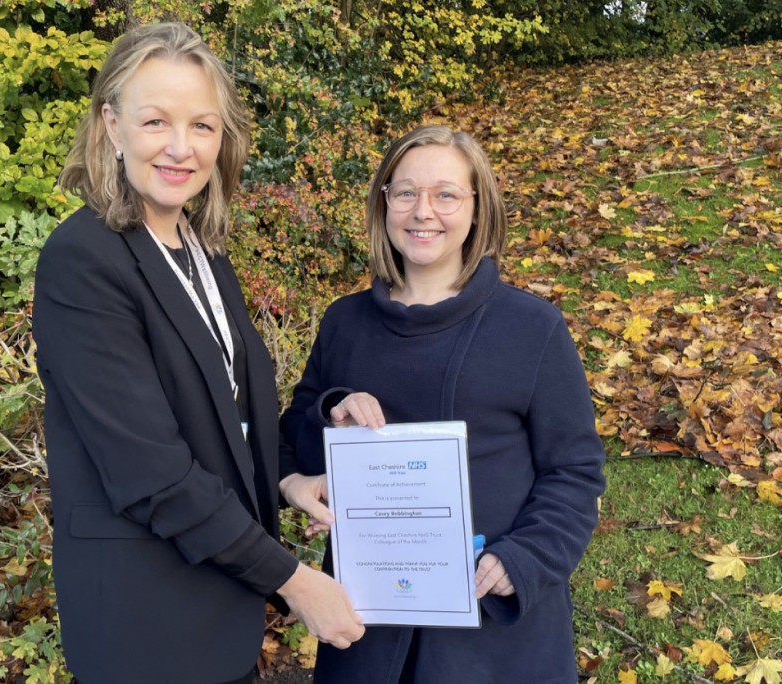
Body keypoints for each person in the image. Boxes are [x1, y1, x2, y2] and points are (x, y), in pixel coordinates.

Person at [33, 23, 363, 684]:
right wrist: (294, 580)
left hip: (217, 606)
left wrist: (284, 478)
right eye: (156, 121)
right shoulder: (85, 260)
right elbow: (150, 473)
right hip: (146, 625)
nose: (181, 148)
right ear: (112, 126)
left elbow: (220, 417)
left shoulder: (201, 247)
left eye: (203, 126)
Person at [279, 125, 607, 683]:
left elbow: (574, 470)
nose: (422, 211)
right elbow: (294, 441)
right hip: (369, 621)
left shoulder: (531, 328)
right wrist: (332, 412)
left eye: (446, 194)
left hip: (491, 632)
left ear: (478, 208)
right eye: (404, 192)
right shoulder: (345, 322)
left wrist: (525, 559)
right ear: (383, 204)